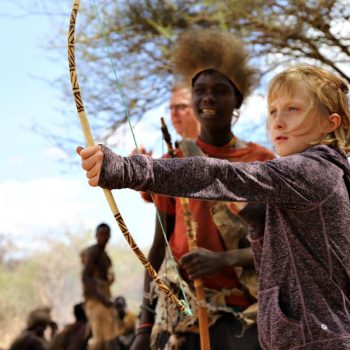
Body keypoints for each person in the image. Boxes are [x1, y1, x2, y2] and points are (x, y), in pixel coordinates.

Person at [78, 59, 350, 349]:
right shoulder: (323, 173)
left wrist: (127, 169)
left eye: (293, 109)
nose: (278, 121)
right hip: (288, 332)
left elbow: (219, 174)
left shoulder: (310, 170)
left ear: (330, 123)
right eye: (272, 112)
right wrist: (257, 218)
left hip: (307, 336)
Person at [80, 29, 275, 350]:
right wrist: (144, 324)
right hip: (187, 313)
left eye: (219, 90)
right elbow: (160, 244)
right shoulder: (175, 160)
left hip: (250, 316)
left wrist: (225, 259)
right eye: (199, 90)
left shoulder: (263, 162)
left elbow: (279, 247)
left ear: (237, 99)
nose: (207, 98)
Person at [81, 223, 119, 349]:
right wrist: (101, 297)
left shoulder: (105, 256)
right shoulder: (93, 252)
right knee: (99, 340)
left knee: (110, 337)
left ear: (110, 236)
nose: (103, 237)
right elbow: (85, 277)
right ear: (96, 235)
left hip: (104, 298)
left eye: (106, 234)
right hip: (95, 301)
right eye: (101, 234)